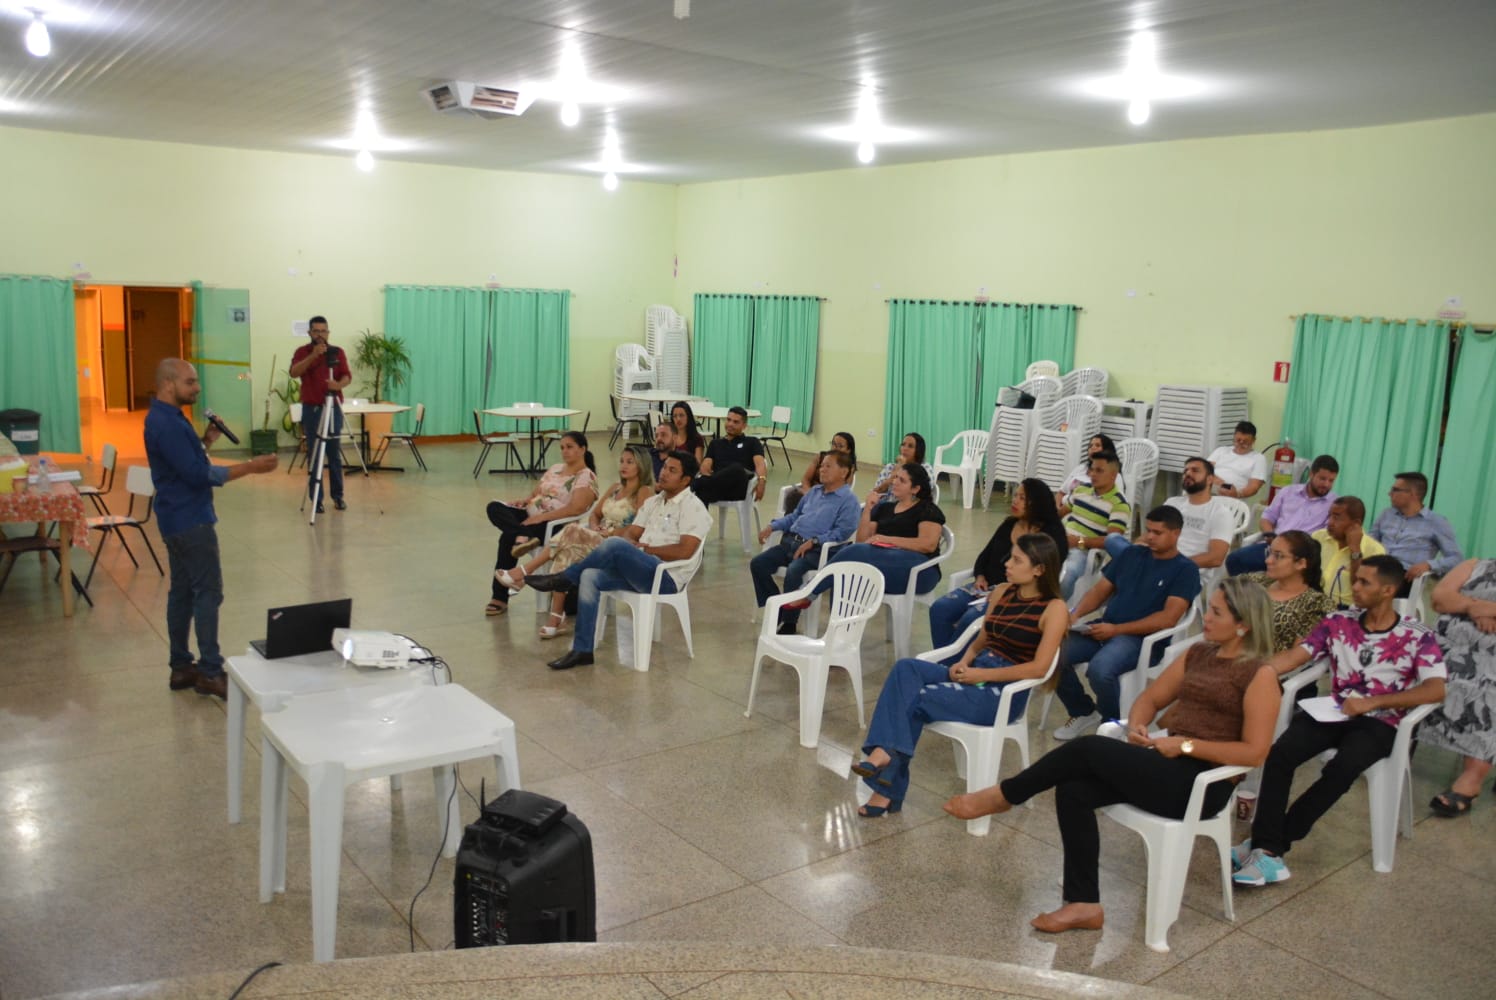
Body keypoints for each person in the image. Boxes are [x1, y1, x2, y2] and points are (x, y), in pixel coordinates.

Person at [944, 579, 1280, 935]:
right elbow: (1150, 699)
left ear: (1243, 624)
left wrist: (1186, 746)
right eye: (1209, 609)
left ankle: (1005, 795)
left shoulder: (1259, 675)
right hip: (1167, 764)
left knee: (1088, 748)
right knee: (1074, 790)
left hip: (1202, 784)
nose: (1206, 618)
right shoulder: (1199, 654)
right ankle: (1084, 904)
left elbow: (1255, 752)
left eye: (1216, 613)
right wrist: (1137, 725)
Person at [1233, 555, 1447, 886]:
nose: (1354, 587)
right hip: (1333, 711)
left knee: (1342, 768)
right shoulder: (1337, 621)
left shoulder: (1417, 635)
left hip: (1382, 723)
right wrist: (1247, 671)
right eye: (1355, 579)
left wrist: (1374, 702)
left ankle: (1271, 846)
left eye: (1364, 582)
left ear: (1388, 590)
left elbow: (1436, 689)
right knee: (1280, 754)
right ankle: (1267, 850)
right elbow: (1294, 657)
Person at [853, 534, 1068, 818]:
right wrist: (964, 662)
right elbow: (981, 641)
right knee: (906, 669)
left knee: (918, 698)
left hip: (1004, 693)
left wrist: (982, 674)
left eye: (1017, 560)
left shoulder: (1054, 609)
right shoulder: (1003, 592)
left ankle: (884, 771)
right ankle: (886, 762)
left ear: (1039, 569)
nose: (1007, 564)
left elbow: (1039, 668)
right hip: (976, 672)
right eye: (1010, 557)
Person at [144, 359, 278, 699]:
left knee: (182, 592)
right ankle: (209, 671)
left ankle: (181, 667)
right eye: (190, 382)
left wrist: (205, 441)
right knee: (207, 592)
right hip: (190, 521)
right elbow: (197, 475)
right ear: (169, 383)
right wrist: (250, 467)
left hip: (174, 518)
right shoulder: (168, 423)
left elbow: (184, 463)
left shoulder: (167, 417)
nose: (197, 387)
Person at [526, 451, 712, 670]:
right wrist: (634, 546)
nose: (663, 473)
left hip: (666, 577)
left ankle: (565, 578)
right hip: (640, 569)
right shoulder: (654, 502)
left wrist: (646, 549)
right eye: (664, 467)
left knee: (615, 544)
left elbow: (685, 551)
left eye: (672, 471)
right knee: (589, 576)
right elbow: (632, 533)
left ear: (685, 480)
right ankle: (583, 650)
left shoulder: (693, 506)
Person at [1053, 505, 1201, 739]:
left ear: (1176, 534)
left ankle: (1111, 725)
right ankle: (1082, 711)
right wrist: (1074, 615)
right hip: (1105, 627)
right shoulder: (1131, 554)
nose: (1150, 537)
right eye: (1148, 530)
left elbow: (1168, 618)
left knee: (1100, 670)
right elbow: (1099, 591)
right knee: (1052, 653)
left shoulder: (1185, 570)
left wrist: (1116, 630)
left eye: (1157, 532)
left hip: (1140, 639)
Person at [497, 445, 654, 639]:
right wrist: (595, 527)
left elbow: (637, 528)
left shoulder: (644, 491)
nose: (624, 465)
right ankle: (556, 617)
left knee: (571, 530)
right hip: (597, 537)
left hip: (618, 545)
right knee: (566, 550)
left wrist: (609, 533)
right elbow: (595, 514)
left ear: (642, 465)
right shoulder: (615, 488)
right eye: (622, 461)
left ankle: (523, 573)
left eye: (630, 462)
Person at [798, 462, 946, 634]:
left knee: (854, 554)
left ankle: (810, 591)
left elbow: (927, 544)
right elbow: (862, 541)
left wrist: (888, 540)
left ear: (915, 489)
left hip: (919, 571)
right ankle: (839, 635)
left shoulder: (927, 509)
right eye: (895, 477)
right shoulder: (885, 508)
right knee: (845, 575)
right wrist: (868, 508)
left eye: (902, 480)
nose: (895, 482)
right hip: (886, 567)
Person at [928, 477, 1067, 655]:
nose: (1015, 501)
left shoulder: (1050, 537)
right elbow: (984, 556)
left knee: (970, 619)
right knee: (940, 608)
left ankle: (952, 664)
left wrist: (1004, 590)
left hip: (1016, 594)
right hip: (984, 587)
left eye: (1022, 498)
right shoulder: (1009, 524)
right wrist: (980, 576)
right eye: (1015, 495)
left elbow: (1046, 576)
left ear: (1038, 503)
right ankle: (946, 660)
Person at [484, 430, 598, 617]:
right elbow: (537, 493)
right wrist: (524, 501)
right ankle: (522, 534)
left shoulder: (586, 476)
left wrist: (542, 517)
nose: (565, 451)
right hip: (531, 515)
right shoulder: (555, 468)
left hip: (555, 524)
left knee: (507, 538)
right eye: (562, 447)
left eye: (569, 447)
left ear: (582, 449)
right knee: (494, 507)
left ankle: (500, 596)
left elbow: (576, 509)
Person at [751, 450, 860, 633]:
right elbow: (794, 516)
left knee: (794, 570)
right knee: (758, 563)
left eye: (828, 466)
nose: (822, 470)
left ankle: (790, 622)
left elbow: (842, 533)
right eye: (821, 466)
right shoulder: (814, 492)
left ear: (844, 472)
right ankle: (778, 607)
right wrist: (772, 526)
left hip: (815, 551)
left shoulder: (848, 501)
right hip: (790, 542)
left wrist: (815, 541)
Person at [1420, 559, 1496, 816]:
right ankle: (1391, 745)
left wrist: (1487, 608)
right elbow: (1439, 598)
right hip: (1446, 650)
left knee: (1485, 689)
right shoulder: (1476, 565)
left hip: (1491, 663)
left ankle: (1472, 779)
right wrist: (1474, 607)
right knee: (1412, 673)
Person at [1103, 456, 1232, 570]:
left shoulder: (1220, 512)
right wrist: (1138, 548)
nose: (1188, 473)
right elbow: (1149, 534)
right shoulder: (1173, 503)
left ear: (1210, 479)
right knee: (1113, 540)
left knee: (1118, 568)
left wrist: (1172, 565)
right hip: (1154, 559)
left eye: (1195, 470)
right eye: (1185, 471)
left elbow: (1216, 558)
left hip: (1182, 570)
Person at [1225, 454, 1339, 575]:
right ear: (1311, 474)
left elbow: (1326, 536)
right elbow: (1266, 519)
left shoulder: (1334, 504)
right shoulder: (1288, 492)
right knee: (1234, 560)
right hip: (1275, 545)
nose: (1326, 484)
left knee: (1282, 571)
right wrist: (1271, 536)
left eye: (1331, 481)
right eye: (1322, 479)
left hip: (1300, 555)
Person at [288, 315, 352, 512]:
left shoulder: (337, 352)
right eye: (316, 331)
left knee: (334, 455)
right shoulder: (302, 352)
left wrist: (338, 385)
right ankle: (316, 499)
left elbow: (347, 376)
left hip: (333, 408)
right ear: (309, 333)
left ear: (328, 332)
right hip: (312, 409)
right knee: (315, 455)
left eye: (324, 331)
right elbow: (294, 372)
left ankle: (338, 497)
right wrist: (313, 355)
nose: (320, 335)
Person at [1239, 530, 1335, 653]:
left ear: (1300, 563)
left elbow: (1297, 656)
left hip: (1267, 662)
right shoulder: (1257, 580)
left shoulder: (1315, 604)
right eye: (1269, 553)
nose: (1268, 560)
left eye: (1278, 556)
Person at [1369, 471, 1464, 595]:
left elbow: (1456, 558)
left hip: (1405, 576)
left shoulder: (1436, 522)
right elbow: (1370, 542)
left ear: (1413, 494)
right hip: (1376, 569)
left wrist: (1429, 565)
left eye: (1395, 490)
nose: (1389, 493)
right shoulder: (1386, 514)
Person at [1058, 451, 1130, 599]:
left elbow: (1112, 541)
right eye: (1092, 469)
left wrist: (1079, 542)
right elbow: (1060, 514)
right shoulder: (1081, 489)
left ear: (1113, 475)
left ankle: (1056, 606)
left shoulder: (1119, 504)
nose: (1093, 474)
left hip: (1084, 550)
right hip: (1061, 538)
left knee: (1069, 573)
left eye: (1099, 471)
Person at [1312, 496, 1385, 608]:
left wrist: (1355, 550)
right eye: (1329, 516)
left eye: (1336, 518)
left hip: (1345, 611)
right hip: (1312, 603)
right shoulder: (1318, 537)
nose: (1330, 522)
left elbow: (1361, 588)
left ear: (1356, 524)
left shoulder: (1374, 550)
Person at [691, 405, 767, 506]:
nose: (730, 424)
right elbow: (705, 466)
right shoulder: (715, 443)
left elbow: (760, 464)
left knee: (737, 469)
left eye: (735, 422)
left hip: (737, 489)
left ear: (744, 426)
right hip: (717, 490)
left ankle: (693, 486)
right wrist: (706, 471)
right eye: (728, 420)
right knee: (702, 492)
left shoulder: (752, 442)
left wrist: (762, 481)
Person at [785, 430, 857, 514]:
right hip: (810, 491)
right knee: (793, 497)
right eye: (833, 444)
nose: (835, 448)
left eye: (840, 446)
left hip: (827, 498)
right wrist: (809, 492)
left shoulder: (848, 468)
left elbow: (843, 489)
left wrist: (818, 497)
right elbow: (806, 479)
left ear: (848, 450)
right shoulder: (821, 457)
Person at [1056, 433, 1122, 513]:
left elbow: (1116, 503)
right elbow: (1061, 493)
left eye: (1097, 445)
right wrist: (1057, 509)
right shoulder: (1080, 468)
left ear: (1107, 451)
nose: (1093, 448)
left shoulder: (1114, 476)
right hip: (1065, 510)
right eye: (1090, 446)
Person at [1208, 421, 1267, 500]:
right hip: (1209, 490)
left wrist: (1237, 494)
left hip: (1232, 498)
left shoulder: (1258, 458)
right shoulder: (1221, 450)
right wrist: (1220, 482)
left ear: (1253, 440)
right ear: (1234, 437)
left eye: (1245, 441)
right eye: (1238, 440)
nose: (1241, 443)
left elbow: (1254, 487)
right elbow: (1204, 469)